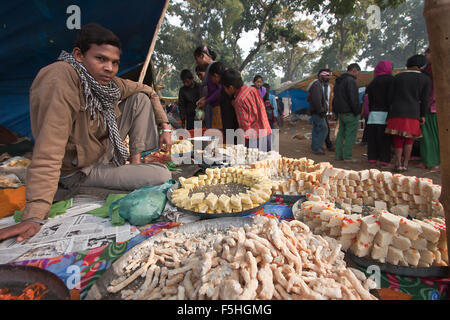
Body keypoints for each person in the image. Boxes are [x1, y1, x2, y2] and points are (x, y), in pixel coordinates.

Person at [0, 23, 172, 242]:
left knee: (139, 98)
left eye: (115, 62)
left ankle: (134, 165)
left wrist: (165, 127)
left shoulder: (107, 84)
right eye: (101, 59)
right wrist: (34, 215)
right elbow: (49, 150)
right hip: (78, 170)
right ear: (79, 55)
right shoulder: (60, 79)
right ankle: (103, 181)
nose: (109, 68)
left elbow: (147, 91)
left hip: (100, 154)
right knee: (161, 175)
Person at [385, 54, 430, 172]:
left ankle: (398, 163)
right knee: (409, 139)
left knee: (397, 139)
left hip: (396, 111)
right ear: (421, 65)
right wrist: (422, 115)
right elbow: (425, 100)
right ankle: (405, 164)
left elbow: (389, 97)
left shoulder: (398, 77)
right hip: (413, 112)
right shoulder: (425, 79)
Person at [221, 69, 272, 152]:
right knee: (267, 162)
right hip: (266, 133)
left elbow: (244, 127)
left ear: (231, 87)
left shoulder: (239, 101)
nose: (225, 91)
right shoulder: (253, 90)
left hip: (254, 140)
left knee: (255, 164)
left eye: (224, 88)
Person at [365, 60, 395, 168]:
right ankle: (384, 160)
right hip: (386, 113)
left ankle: (372, 158)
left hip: (373, 114)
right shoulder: (392, 80)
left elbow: (369, 100)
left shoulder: (373, 82)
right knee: (385, 138)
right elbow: (391, 98)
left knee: (373, 137)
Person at [332, 63, 362, 162]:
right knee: (350, 135)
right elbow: (353, 98)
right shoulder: (351, 81)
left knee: (341, 134)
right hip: (350, 113)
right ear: (354, 70)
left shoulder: (338, 81)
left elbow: (335, 98)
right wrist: (357, 111)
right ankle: (347, 157)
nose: (358, 75)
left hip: (341, 112)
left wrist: (335, 112)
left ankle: (338, 155)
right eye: (358, 72)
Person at [419, 48, 440, 170]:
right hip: (428, 107)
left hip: (433, 108)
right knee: (426, 136)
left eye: (428, 53)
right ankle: (427, 160)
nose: (426, 56)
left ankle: (433, 161)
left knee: (432, 136)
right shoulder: (425, 69)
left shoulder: (438, 69)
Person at [193, 46, 222, 129]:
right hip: (213, 107)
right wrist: (205, 98)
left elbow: (220, 89)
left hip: (218, 108)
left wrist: (206, 101)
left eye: (196, 59)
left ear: (202, 55)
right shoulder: (209, 68)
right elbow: (213, 91)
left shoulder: (215, 67)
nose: (197, 62)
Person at [307, 69, 334, 155]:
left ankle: (315, 147)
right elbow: (316, 99)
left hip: (317, 111)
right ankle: (317, 147)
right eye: (327, 76)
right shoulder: (317, 85)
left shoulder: (317, 84)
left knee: (317, 129)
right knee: (324, 129)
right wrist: (321, 110)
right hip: (318, 112)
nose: (328, 78)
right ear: (322, 76)